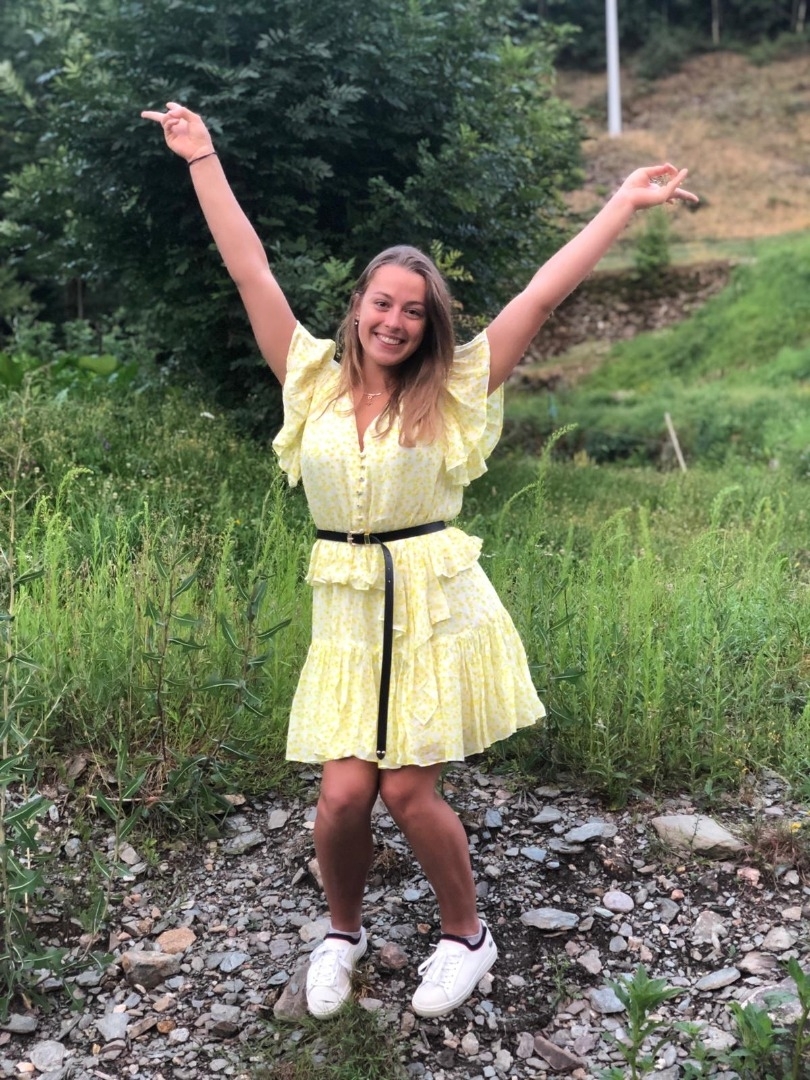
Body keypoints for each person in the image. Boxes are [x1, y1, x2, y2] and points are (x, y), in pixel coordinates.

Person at [142, 101, 697, 1020]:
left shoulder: (457, 384)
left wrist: (621, 205)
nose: (394, 322)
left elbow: (540, 298)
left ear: (428, 323)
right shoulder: (310, 377)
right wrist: (202, 157)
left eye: (413, 311)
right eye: (382, 303)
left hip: (434, 600)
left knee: (405, 789)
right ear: (358, 306)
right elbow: (249, 267)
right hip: (350, 609)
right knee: (340, 798)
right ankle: (342, 934)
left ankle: (466, 937)